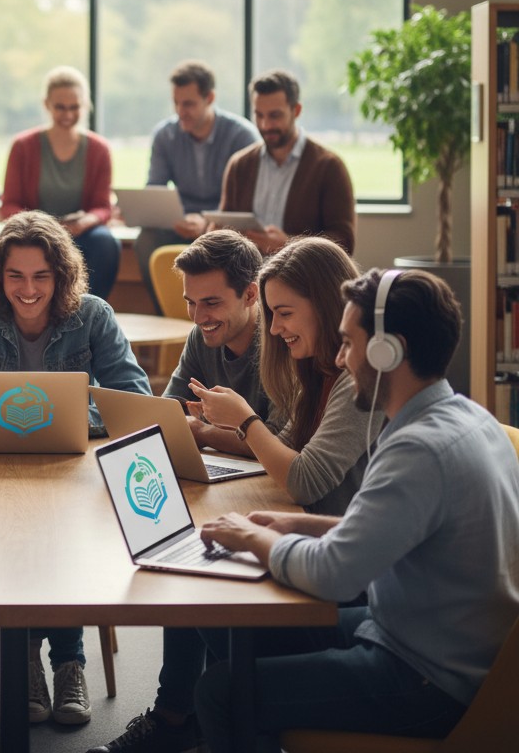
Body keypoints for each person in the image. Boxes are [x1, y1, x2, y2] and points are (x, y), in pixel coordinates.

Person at [189, 268, 519, 751]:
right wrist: (293, 523)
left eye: (349, 343)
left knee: (219, 692)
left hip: (426, 677)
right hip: (423, 635)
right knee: (234, 626)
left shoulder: (419, 448)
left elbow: (333, 576)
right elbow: (391, 528)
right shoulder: (465, 417)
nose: (341, 359)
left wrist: (251, 538)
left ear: (389, 351)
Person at [87, 236, 378, 753]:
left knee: (205, 612)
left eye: (283, 313)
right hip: (322, 538)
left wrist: (240, 420)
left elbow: (302, 475)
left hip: (347, 581)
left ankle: (209, 718)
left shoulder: (352, 384)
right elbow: (282, 444)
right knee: (192, 574)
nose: (275, 327)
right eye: (273, 313)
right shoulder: (320, 372)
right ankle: (198, 719)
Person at [0, 210, 152, 728]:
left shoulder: (92, 315)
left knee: (62, 531)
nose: (28, 290)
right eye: (15, 276)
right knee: (16, 534)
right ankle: (29, 658)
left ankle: (65, 662)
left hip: (71, 466)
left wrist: (67, 419)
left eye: (41, 276)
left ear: (61, 276)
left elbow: (133, 399)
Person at [134, 60, 257, 297]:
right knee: (146, 239)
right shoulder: (165, 135)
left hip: (225, 224)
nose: (181, 111)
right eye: (177, 103)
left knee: (231, 243)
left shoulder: (241, 136)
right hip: (181, 222)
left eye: (188, 104)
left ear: (210, 98)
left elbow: (246, 202)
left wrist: (207, 222)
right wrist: (176, 218)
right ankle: (167, 311)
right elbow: (155, 189)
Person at [1, 65, 120, 299]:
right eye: (60, 107)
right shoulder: (23, 146)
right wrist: (37, 225)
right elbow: (9, 204)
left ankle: (88, 312)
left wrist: (84, 221)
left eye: (74, 108)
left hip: (80, 232)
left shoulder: (99, 149)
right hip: (34, 233)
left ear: (85, 105)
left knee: (106, 244)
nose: (67, 115)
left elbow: (102, 206)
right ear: (47, 105)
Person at [219, 68, 356, 255]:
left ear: (296, 110)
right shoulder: (239, 165)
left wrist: (290, 244)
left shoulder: (329, 167)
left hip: (303, 281)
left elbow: (345, 242)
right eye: (259, 115)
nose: (266, 125)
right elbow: (225, 224)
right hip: (245, 279)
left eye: (275, 115)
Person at [160, 229, 270, 434]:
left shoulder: (280, 338)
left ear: (250, 295)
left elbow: (281, 440)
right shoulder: (200, 336)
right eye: (191, 303)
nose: (198, 318)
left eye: (211, 303)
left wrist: (204, 432)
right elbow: (167, 413)